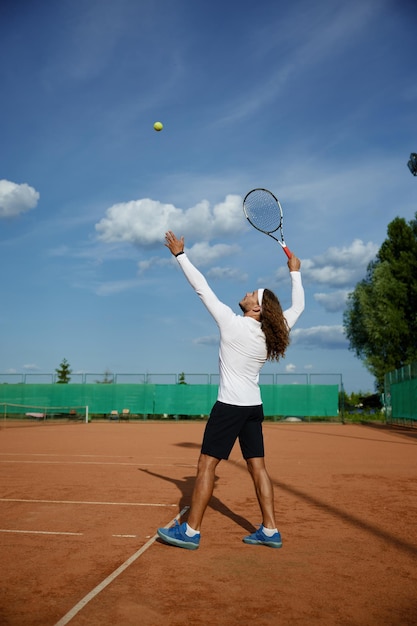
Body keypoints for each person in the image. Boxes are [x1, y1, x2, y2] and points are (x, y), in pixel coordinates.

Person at [157, 231, 304, 550]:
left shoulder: (232, 323)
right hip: (253, 408)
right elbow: (299, 306)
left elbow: (201, 288)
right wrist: (295, 273)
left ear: (257, 309)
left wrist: (181, 256)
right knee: (259, 468)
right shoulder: (273, 331)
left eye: (253, 293)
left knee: (206, 466)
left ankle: (191, 532)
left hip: (229, 407)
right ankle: (269, 530)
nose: (248, 293)